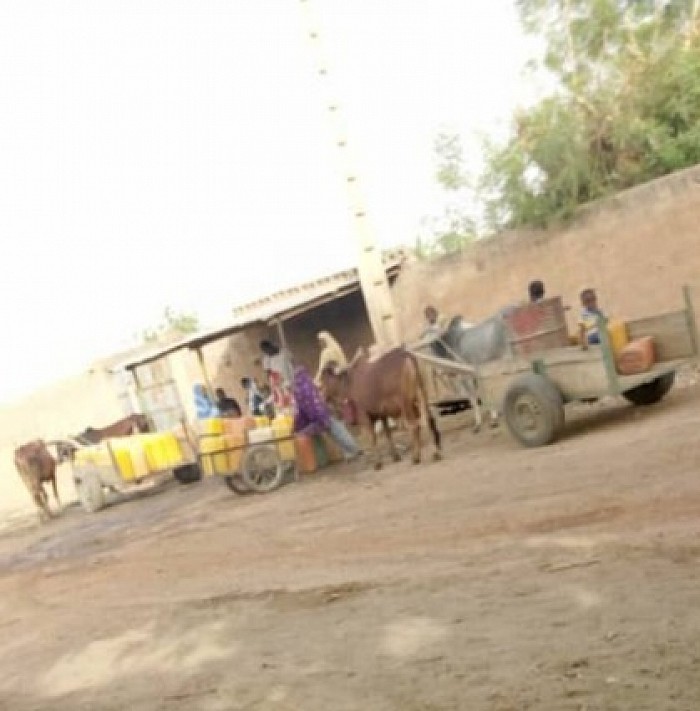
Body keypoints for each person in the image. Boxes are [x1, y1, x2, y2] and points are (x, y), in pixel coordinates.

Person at [292, 365, 360, 461]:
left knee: (334, 434)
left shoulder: (297, 390)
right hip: (322, 416)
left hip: (312, 420)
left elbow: (300, 409)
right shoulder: (309, 386)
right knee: (338, 431)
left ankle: (349, 453)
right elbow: (317, 403)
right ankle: (354, 449)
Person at [260, 339, 294, 413]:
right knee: (284, 402)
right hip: (279, 383)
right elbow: (268, 372)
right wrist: (273, 384)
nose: (267, 352)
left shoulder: (284, 352)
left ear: (271, 346)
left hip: (290, 379)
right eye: (265, 351)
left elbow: (292, 362)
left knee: (292, 399)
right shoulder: (267, 359)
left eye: (267, 350)